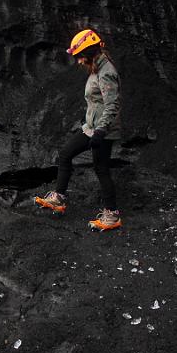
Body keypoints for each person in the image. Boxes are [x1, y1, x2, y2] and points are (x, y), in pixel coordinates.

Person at [35, 28, 122, 231]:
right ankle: (59, 199)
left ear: (91, 52)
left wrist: (101, 131)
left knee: (101, 169)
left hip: (104, 130)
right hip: (92, 127)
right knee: (65, 154)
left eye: (81, 56)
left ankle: (112, 216)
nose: (79, 61)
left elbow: (112, 104)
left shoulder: (107, 72)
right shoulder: (96, 68)